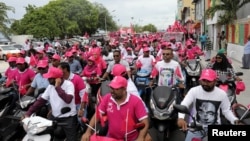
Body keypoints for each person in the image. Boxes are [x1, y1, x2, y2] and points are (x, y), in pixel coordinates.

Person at [177, 69, 240, 141]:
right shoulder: (194, 91)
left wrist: (235, 120)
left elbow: (226, 111)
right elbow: (184, 104)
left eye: (209, 81)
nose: (205, 83)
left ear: (215, 81)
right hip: (196, 127)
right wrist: (181, 118)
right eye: (203, 80)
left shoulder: (222, 94)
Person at [81, 76, 150, 141]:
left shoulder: (136, 101)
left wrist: (140, 137)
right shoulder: (107, 98)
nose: (112, 91)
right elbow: (97, 115)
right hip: (111, 137)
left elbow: (144, 122)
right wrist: (88, 131)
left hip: (130, 139)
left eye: (116, 89)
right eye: (111, 87)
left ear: (124, 89)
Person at [24, 67, 77, 141]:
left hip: (68, 117)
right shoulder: (50, 87)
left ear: (58, 79)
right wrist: (28, 113)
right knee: (44, 133)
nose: (48, 80)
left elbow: (68, 99)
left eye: (50, 78)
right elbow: (41, 101)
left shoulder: (69, 85)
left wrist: (57, 87)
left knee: (72, 139)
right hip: (55, 116)